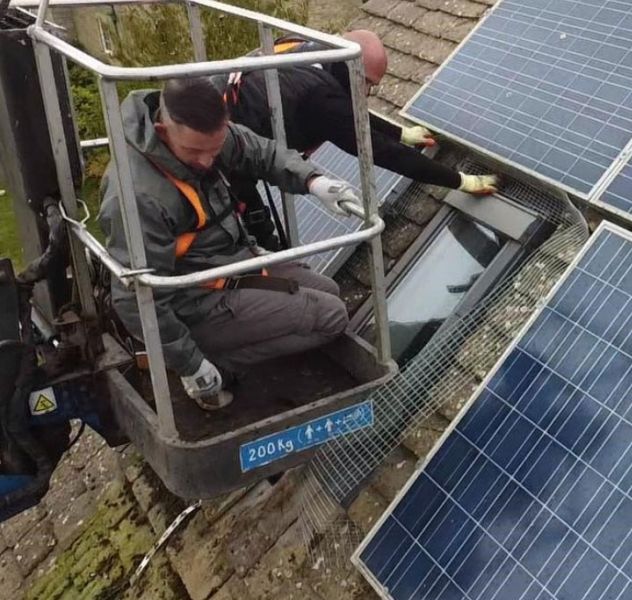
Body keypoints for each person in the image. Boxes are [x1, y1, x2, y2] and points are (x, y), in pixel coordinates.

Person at [99, 77, 360, 410]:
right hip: (193, 302)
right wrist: (190, 364)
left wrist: (313, 180)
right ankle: (214, 363)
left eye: (215, 149)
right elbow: (134, 297)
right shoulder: (137, 197)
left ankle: (234, 338)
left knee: (330, 290)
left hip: (231, 261)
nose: (208, 161)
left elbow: (260, 152)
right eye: (195, 152)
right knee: (332, 316)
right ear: (163, 130)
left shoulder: (206, 135)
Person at [218, 29, 500, 249]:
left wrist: (401, 132)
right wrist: (461, 181)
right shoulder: (320, 97)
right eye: (367, 84)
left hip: (217, 113)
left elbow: (348, 113)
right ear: (348, 67)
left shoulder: (305, 48)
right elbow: (384, 152)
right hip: (220, 160)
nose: (366, 94)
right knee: (254, 234)